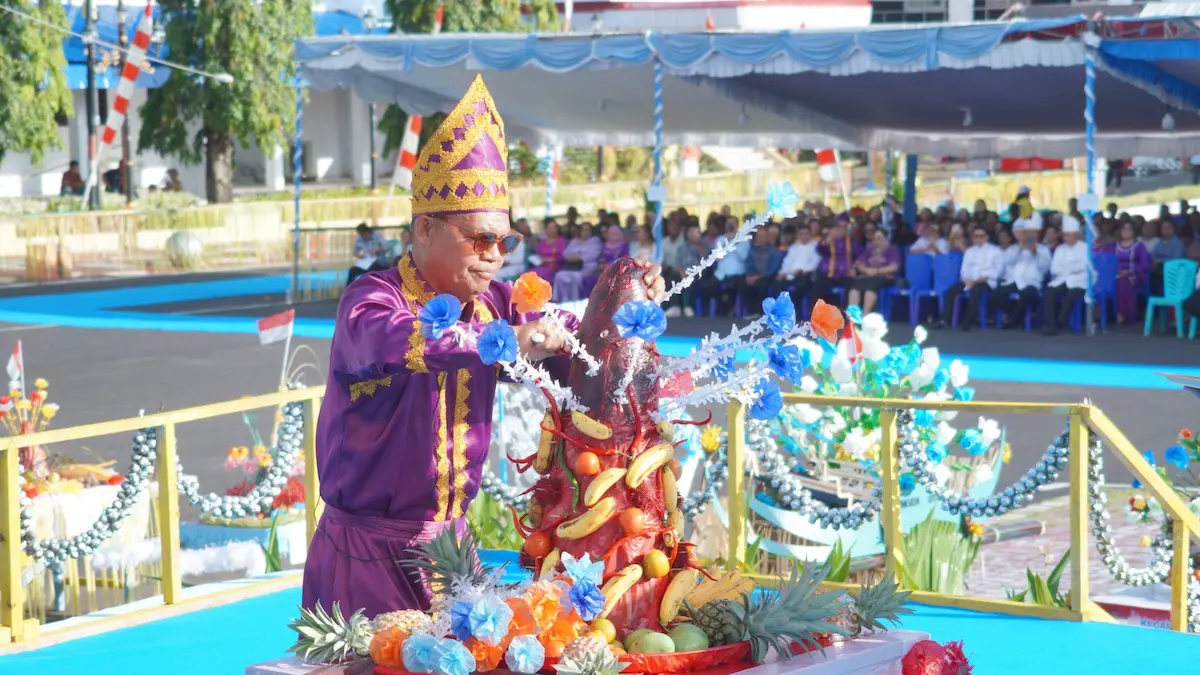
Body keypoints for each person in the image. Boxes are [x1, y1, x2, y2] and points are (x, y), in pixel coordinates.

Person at [302, 75, 665, 618]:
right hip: (366, 555)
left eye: (505, 241)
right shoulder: (371, 302)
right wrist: (507, 341)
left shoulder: (496, 301)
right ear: (424, 230)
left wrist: (625, 297)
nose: (496, 255)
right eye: (480, 239)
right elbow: (409, 338)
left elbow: (564, 332)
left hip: (452, 550)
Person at [938, 226, 999, 331]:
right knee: (951, 290)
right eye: (976, 236)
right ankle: (945, 320)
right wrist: (966, 279)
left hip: (986, 281)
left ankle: (967, 322)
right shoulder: (969, 251)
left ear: (986, 237)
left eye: (981, 236)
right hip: (968, 281)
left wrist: (977, 280)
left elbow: (997, 271)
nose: (978, 238)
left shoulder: (995, 251)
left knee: (975, 291)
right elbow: (964, 269)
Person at [996, 221, 1051, 329]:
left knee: (1027, 294)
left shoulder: (1043, 249)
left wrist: (1035, 252)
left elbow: (1044, 268)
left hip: (1031, 282)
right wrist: (1020, 250)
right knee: (996, 294)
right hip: (1014, 281)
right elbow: (1008, 262)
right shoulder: (1014, 248)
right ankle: (1013, 313)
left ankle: (1013, 319)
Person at [1043, 216, 1090, 336]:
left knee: (1072, 294)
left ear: (1076, 234)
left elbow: (1084, 266)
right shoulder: (1060, 249)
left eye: (1068, 235)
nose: (1065, 238)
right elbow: (1054, 269)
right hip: (1061, 280)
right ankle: (1050, 325)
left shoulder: (1085, 248)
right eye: (1064, 235)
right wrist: (1071, 268)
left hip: (1080, 281)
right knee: (1049, 293)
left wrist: (1066, 267)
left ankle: (1061, 320)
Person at [847, 229, 900, 314]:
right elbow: (858, 264)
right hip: (868, 277)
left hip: (885, 277)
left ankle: (865, 316)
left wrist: (876, 271)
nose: (876, 241)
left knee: (870, 288)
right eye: (874, 239)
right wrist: (866, 270)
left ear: (886, 239)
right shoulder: (869, 250)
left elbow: (894, 267)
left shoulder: (892, 250)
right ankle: (852, 318)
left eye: (879, 238)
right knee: (854, 287)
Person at [772, 222, 821, 310]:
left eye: (806, 234)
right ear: (798, 235)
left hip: (806, 275)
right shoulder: (794, 247)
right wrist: (783, 273)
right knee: (777, 285)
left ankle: (798, 316)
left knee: (798, 288)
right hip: (791, 274)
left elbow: (814, 264)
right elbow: (787, 262)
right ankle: (781, 314)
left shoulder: (816, 246)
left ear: (810, 234)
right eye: (801, 234)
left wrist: (802, 270)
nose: (804, 236)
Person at [814, 220, 860, 307]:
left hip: (846, 275)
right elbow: (820, 250)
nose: (842, 230)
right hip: (829, 274)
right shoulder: (827, 241)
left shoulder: (853, 242)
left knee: (852, 284)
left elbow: (860, 258)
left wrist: (855, 268)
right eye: (839, 228)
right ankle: (816, 313)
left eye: (844, 228)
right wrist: (829, 238)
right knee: (818, 283)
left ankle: (845, 314)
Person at [738, 228, 783, 315]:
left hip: (768, 276)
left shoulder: (773, 250)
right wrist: (749, 276)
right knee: (742, 283)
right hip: (753, 275)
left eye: (763, 236)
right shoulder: (753, 249)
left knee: (760, 285)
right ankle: (750, 311)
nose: (760, 238)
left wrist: (757, 277)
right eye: (759, 236)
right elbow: (748, 263)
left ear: (767, 237)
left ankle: (760, 311)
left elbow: (773, 269)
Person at [1113, 221, 1151, 324]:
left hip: (1136, 275)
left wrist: (1130, 271)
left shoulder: (1139, 246)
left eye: (1128, 229)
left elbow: (1145, 264)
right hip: (1117, 274)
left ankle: (1125, 314)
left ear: (1133, 231)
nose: (1125, 232)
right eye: (1123, 229)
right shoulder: (1115, 246)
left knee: (1121, 282)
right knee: (1116, 281)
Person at [553, 224, 602, 301]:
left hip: (587, 267)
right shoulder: (575, 241)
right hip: (572, 267)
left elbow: (593, 255)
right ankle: (560, 300)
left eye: (587, 230)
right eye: (583, 230)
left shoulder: (595, 241)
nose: (585, 232)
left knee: (575, 278)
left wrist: (579, 257)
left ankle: (574, 300)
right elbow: (565, 254)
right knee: (559, 276)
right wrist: (571, 258)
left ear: (591, 231)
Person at [582, 224, 630, 297]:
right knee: (588, 281)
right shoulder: (605, 246)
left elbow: (625, 260)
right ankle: (588, 302)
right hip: (603, 272)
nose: (613, 236)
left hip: (618, 273)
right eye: (611, 234)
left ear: (620, 234)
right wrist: (601, 264)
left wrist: (610, 265)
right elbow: (600, 258)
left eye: (615, 234)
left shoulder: (624, 246)